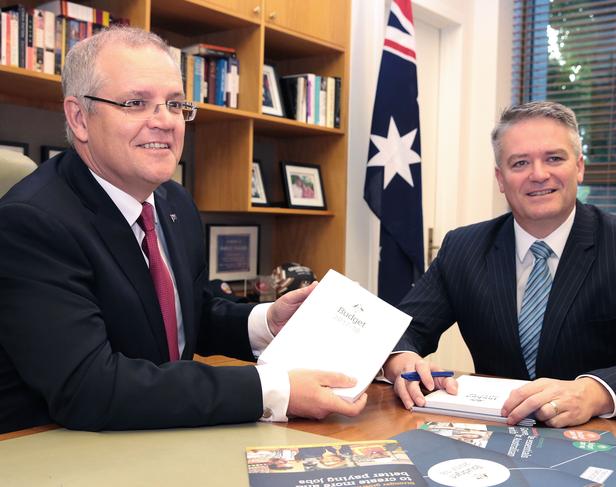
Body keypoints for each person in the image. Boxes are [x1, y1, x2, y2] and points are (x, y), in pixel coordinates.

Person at [0, 26, 366, 435]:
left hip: (159, 431)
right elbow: (90, 387)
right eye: (136, 103)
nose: (164, 122)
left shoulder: (173, 202)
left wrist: (267, 322)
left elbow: (188, 314)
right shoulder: (31, 223)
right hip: (51, 449)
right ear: (79, 118)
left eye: (175, 104)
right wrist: (273, 389)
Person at [384, 101, 616, 428]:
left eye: (554, 158)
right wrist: (401, 359)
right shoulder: (463, 248)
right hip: (491, 437)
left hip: (599, 438)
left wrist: (593, 393)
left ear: (579, 167)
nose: (539, 175)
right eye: (520, 162)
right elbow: (403, 328)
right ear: (500, 177)